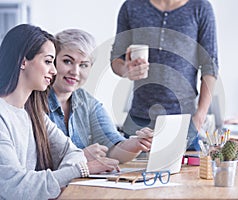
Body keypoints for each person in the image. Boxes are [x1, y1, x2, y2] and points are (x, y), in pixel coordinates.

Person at [0, 24, 118, 200]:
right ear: (23, 61)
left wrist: (57, 179)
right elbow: (14, 187)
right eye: (48, 61)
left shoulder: (33, 114)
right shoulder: (3, 116)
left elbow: (73, 153)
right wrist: (78, 171)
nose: (54, 71)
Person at [110, 0, 219, 150]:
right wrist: (125, 70)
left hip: (184, 121)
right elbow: (116, 58)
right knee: (129, 172)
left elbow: (210, 65)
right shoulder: (131, 6)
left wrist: (199, 117)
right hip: (139, 120)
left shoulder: (200, 7)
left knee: (188, 173)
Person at [48, 29, 153, 164]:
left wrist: (137, 143)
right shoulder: (34, 102)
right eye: (68, 61)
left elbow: (114, 149)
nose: (75, 71)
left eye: (84, 65)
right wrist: (80, 157)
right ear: (53, 61)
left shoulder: (87, 103)